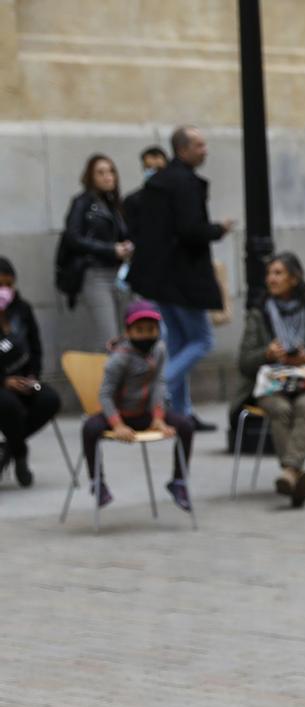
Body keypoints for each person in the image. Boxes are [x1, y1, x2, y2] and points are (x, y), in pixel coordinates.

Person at [125, 125, 232, 430]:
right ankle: (149, 389)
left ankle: (182, 412)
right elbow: (190, 230)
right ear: (183, 149)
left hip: (159, 277)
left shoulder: (158, 182)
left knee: (179, 342)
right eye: (199, 145)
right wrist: (218, 230)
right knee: (202, 340)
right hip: (184, 277)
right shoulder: (185, 184)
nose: (205, 150)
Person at [232, 252, 305, 508]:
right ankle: (295, 474)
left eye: (278, 273)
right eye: (269, 274)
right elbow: (244, 362)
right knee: (281, 408)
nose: (271, 279)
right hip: (271, 384)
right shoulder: (259, 314)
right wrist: (267, 354)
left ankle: (290, 472)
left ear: (294, 279)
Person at [79, 301, 196, 511]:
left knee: (186, 425)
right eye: (140, 330)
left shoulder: (159, 349)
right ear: (128, 331)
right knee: (89, 428)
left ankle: (178, 482)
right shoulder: (119, 358)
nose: (146, 335)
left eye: (151, 329)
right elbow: (105, 394)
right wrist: (117, 424)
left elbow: (159, 384)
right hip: (118, 414)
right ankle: (97, 483)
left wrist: (158, 418)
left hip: (145, 413)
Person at [58, 154, 133, 350]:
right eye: (100, 173)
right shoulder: (82, 202)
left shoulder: (115, 204)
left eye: (111, 171)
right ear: (90, 177)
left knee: (128, 337)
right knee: (109, 340)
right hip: (95, 274)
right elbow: (73, 237)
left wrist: (127, 247)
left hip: (120, 276)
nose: (107, 177)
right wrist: (111, 250)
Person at [0, 257, 60, 487]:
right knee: (9, 405)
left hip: (26, 381)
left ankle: (9, 448)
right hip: (2, 385)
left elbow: (35, 348)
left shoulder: (22, 310)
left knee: (48, 397)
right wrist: (4, 381)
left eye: (8, 285)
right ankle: (20, 454)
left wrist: (33, 376)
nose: (5, 290)